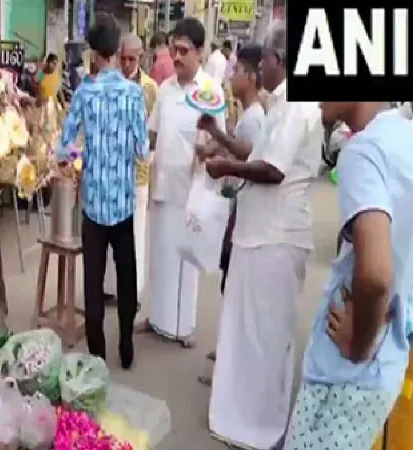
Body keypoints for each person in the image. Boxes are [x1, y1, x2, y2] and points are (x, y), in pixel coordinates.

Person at [201, 24, 321, 449]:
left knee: (263, 335)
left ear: (280, 61)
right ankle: (241, 415)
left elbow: (273, 170)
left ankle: (255, 424)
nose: (260, 67)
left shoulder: (296, 105)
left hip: (275, 237)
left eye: (265, 59)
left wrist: (225, 168)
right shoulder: (281, 104)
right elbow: (259, 156)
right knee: (249, 331)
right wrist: (226, 152)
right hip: (261, 236)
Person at [280, 104, 413, 450]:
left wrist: (358, 344)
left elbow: (375, 275)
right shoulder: (407, 138)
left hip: (346, 376)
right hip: (384, 365)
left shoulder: (363, 152)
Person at [59, 14, 147, 368]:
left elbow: (65, 147)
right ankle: (126, 345)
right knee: (126, 277)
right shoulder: (134, 93)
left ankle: (97, 353)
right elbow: (142, 149)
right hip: (123, 201)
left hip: (93, 203)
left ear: (93, 52)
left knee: (93, 282)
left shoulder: (83, 93)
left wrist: (83, 154)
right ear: (118, 51)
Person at [146, 17, 225, 348]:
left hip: (191, 188)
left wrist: (207, 149)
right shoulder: (165, 89)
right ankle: (156, 320)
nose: (176, 57)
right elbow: (152, 133)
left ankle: (182, 328)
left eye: (183, 51)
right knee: (161, 254)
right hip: (162, 185)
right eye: (173, 50)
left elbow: (222, 139)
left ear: (200, 53)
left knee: (185, 260)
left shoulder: (210, 91)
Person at [194, 45, 265, 383]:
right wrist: (213, 140)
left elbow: (244, 153)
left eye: (236, 72)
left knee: (233, 289)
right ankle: (225, 351)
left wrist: (216, 138)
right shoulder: (248, 114)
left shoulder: (255, 117)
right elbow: (232, 144)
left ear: (251, 77)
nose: (231, 77)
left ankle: (228, 363)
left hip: (243, 212)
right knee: (228, 285)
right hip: (238, 209)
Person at [103, 33, 158, 306]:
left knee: (135, 234)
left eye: (131, 59)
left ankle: (131, 293)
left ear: (141, 57)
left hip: (136, 173)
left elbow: (151, 133)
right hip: (111, 171)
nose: (126, 64)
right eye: (122, 58)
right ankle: (110, 287)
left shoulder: (149, 89)